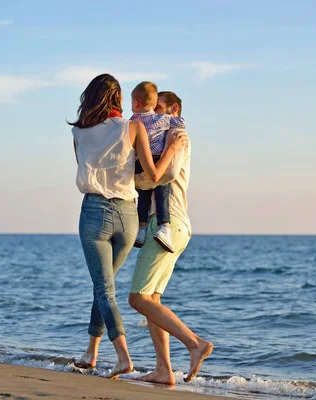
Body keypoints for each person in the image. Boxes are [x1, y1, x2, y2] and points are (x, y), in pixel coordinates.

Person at [70, 75, 189, 378]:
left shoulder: (78, 133)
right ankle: (91, 352)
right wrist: (172, 149)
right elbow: (153, 174)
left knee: (103, 287)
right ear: (119, 99)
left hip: (94, 212)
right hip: (128, 217)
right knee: (105, 286)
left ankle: (123, 357)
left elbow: (86, 168)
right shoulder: (133, 127)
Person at [129, 91, 213, 384]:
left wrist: (134, 179)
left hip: (168, 223)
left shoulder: (177, 135)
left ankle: (195, 343)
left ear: (174, 109)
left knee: (137, 298)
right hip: (172, 225)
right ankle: (164, 370)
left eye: (162, 109)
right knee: (152, 298)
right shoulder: (165, 134)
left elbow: (163, 175)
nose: (157, 116)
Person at [130, 82, 187, 252]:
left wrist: (136, 182)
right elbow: (181, 122)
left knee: (151, 192)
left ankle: (153, 228)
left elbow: (167, 174)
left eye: (159, 107)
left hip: (173, 215)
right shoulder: (166, 123)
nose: (155, 111)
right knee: (158, 190)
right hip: (154, 159)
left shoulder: (178, 137)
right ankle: (160, 228)